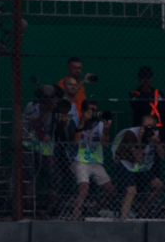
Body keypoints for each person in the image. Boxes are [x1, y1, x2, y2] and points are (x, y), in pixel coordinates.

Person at [112, 111, 164, 222]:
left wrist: (157, 142)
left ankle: (143, 210)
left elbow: (162, 156)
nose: (148, 130)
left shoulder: (156, 134)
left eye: (151, 127)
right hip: (124, 162)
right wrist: (140, 138)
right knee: (131, 190)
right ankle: (123, 219)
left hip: (139, 166)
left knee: (158, 185)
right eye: (145, 127)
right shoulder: (131, 133)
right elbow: (138, 157)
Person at [68, 100, 114, 219]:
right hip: (79, 160)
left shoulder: (99, 124)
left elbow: (105, 144)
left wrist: (106, 129)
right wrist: (82, 121)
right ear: (83, 111)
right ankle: (75, 215)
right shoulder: (74, 121)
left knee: (110, 191)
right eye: (90, 110)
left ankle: (95, 210)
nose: (93, 113)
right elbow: (75, 140)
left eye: (95, 110)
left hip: (95, 161)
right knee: (84, 190)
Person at [22, 82, 62, 217]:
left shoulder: (57, 110)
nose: (56, 100)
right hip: (28, 146)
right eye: (53, 98)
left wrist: (63, 121)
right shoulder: (32, 106)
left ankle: (51, 209)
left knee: (54, 177)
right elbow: (37, 125)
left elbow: (58, 133)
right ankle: (28, 208)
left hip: (45, 150)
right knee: (29, 176)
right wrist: (48, 111)